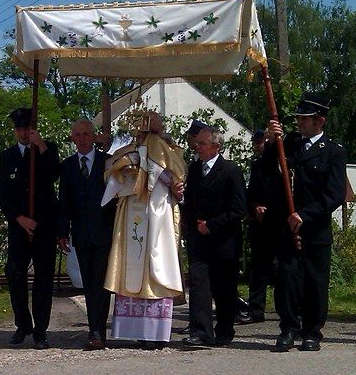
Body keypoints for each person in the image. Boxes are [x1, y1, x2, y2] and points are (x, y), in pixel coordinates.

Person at [266, 94, 347, 352]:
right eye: (298, 118)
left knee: (315, 282)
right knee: (287, 280)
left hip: (314, 229)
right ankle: (288, 329)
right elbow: (268, 169)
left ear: (319, 121)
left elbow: (333, 195)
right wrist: (271, 139)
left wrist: (305, 215)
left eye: (305, 118)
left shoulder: (333, 152)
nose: (299, 122)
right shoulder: (287, 143)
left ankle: (312, 332)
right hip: (287, 228)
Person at [103, 110, 184, 349]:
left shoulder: (166, 148)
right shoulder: (127, 149)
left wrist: (154, 171)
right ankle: (136, 330)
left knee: (155, 265)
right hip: (132, 213)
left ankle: (156, 332)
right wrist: (126, 172)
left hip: (157, 214)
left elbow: (178, 175)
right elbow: (110, 172)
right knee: (132, 265)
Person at [0, 107, 61, 349]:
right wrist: (18, 218)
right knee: (15, 274)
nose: (23, 133)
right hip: (19, 226)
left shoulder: (46, 150)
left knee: (44, 278)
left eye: (27, 128)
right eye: (20, 129)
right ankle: (23, 325)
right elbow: (3, 193)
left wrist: (41, 145)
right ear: (15, 131)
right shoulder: (8, 156)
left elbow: (54, 174)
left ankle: (41, 331)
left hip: (44, 225)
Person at [182, 126, 246, 348]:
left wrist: (213, 225)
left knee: (224, 288)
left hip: (224, 240)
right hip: (199, 240)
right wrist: (191, 227)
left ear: (216, 147)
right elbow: (189, 203)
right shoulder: (194, 169)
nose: (197, 147)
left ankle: (225, 329)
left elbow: (238, 209)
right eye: (196, 143)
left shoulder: (230, 171)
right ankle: (201, 331)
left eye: (202, 144)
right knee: (199, 285)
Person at [57, 119, 116, 350]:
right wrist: (62, 231)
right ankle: (95, 328)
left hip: (104, 233)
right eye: (78, 134)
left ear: (94, 137)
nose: (82, 138)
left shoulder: (107, 163)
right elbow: (64, 202)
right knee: (88, 283)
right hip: (81, 234)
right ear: (73, 138)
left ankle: (97, 331)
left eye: (86, 134)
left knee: (101, 283)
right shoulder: (68, 166)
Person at [244, 128, 281, 324]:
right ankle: (256, 308)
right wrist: (255, 207)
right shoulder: (257, 166)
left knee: (279, 268)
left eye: (264, 141)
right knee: (258, 269)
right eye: (257, 142)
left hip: (279, 222)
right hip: (260, 224)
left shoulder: (283, 163)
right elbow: (250, 194)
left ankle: (287, 307)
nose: (260, 146)